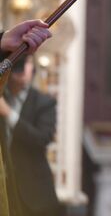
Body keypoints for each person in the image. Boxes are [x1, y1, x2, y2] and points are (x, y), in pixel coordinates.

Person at [0, 19, 52, 216]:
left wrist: (9, 114)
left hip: (34, 196)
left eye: (25, 64)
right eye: (18, 65)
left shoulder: (45, 102)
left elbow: (41, 140)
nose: (20, 71)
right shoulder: (2, 92)